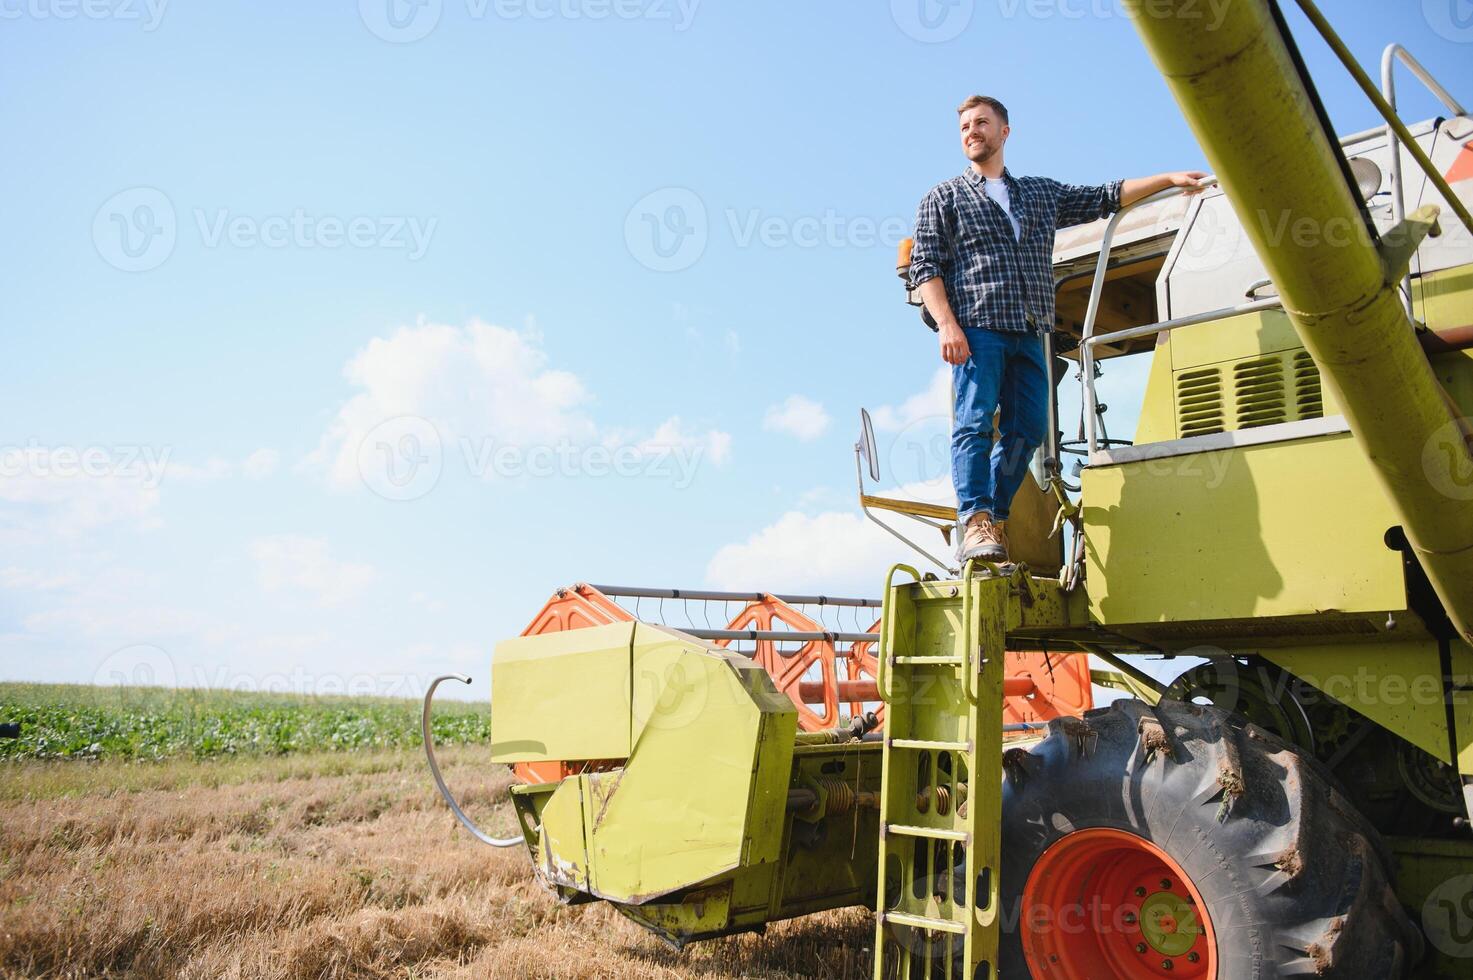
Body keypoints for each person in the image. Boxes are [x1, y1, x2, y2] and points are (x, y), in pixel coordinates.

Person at [909, 94, 1207, 563]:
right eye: (965, 125)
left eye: (981, 123)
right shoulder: (942, 198)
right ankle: (976, 518)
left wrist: (1169, 179)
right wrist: (948, 324)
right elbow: (924, 267)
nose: (972, 131)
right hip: (978, 327)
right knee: (973, 424)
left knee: (1027, 428)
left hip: (1030, 330)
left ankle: (995, 516)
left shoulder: (1039, 194)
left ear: (1004, 132)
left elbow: (1104, 197)